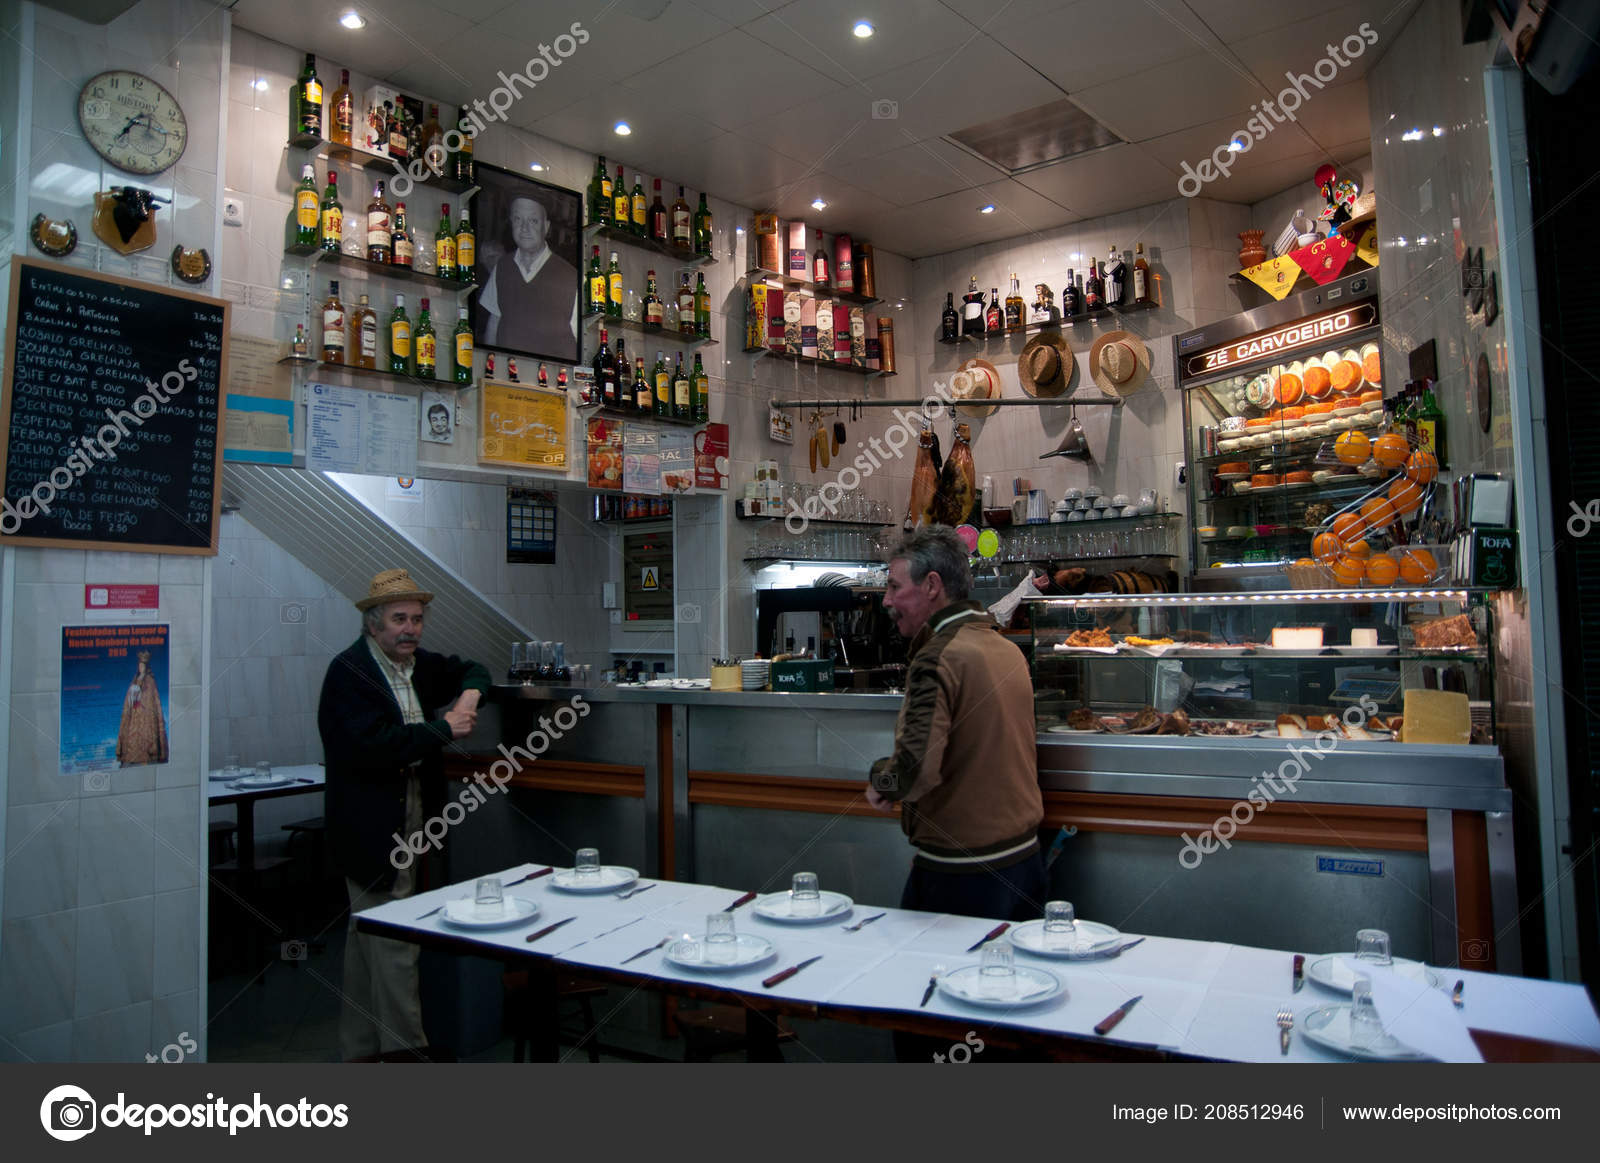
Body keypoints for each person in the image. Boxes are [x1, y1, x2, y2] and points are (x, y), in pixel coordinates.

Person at [318, 568, 490, 1062]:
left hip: (412, 807)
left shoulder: (419, 665)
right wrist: (443, 729)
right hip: (369, 820)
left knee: (366, 934)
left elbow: (473, 669)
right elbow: (370, 747)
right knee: (396, 936)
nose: (410, 628)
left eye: (416, 618)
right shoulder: (349, 673)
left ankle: (361, 1049)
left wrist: (470, 697)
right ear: (372, 624)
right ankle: (406, 1052)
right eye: (398, 619)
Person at [866, 527, 1045, 920]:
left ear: (932, 585)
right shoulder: (1006, 648)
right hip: (1025, 862)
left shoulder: (937, 656)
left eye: (895, 587)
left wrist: (881, 779)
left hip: (963, 875)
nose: (887, 601)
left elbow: (915, 771)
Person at [478, 193, 578, 355]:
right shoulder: (502, 267)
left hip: (552, 377)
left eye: (533, 220)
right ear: (511, 223)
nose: (524, 228)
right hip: (506, 375)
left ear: (546, 227)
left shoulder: (571, 277)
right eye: (518, 219)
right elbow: (494, 323)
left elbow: (580, 339)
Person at [116, 650, 168, 766]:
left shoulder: (150, 681)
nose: (141, 668)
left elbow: (152, 699)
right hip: (135, 713)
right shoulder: (135, 679)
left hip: (147, 715)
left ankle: (149, 755)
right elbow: (130, 696)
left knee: (147, 734)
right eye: (139, 666)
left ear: (146, 667)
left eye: (143, 666)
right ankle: (130, 755)